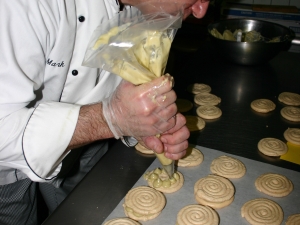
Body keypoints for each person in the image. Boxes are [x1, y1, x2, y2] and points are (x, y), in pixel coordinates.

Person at [0, 0, 209, 224]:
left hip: (89, 147)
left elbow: (127, 85)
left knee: (83, 214)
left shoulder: (155, 13)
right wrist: (110, 117)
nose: (200, 11)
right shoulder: (21, 5)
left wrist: (141, 123)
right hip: (7, 168)